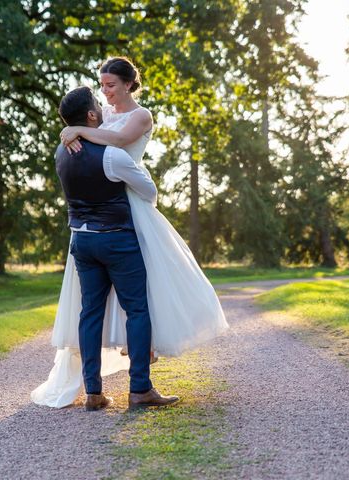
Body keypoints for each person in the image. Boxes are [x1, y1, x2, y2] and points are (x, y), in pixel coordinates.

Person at [31, 58, 228, 409]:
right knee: (130, 303)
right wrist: (70, 129)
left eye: (110, 85)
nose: (105, 93)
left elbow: (119, 140)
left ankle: (110, 379)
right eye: (101, 86)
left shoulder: (140, 116)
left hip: (125, 209)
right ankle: (138, 384)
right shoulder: (101, 116)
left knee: (135, 293)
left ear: (128, 84)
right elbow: (94, 132)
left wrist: (75, 131)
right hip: (115, 210)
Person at [47, 85, 179, 411]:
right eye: (97, 103)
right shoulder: (112, 156)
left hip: (81, 240)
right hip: (117, 238)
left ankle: (93, 392)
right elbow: (148, 192)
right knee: (136, 310)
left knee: (90, 312)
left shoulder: (61, 153)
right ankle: (140, 390)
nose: (102, 106)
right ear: (92, 115)